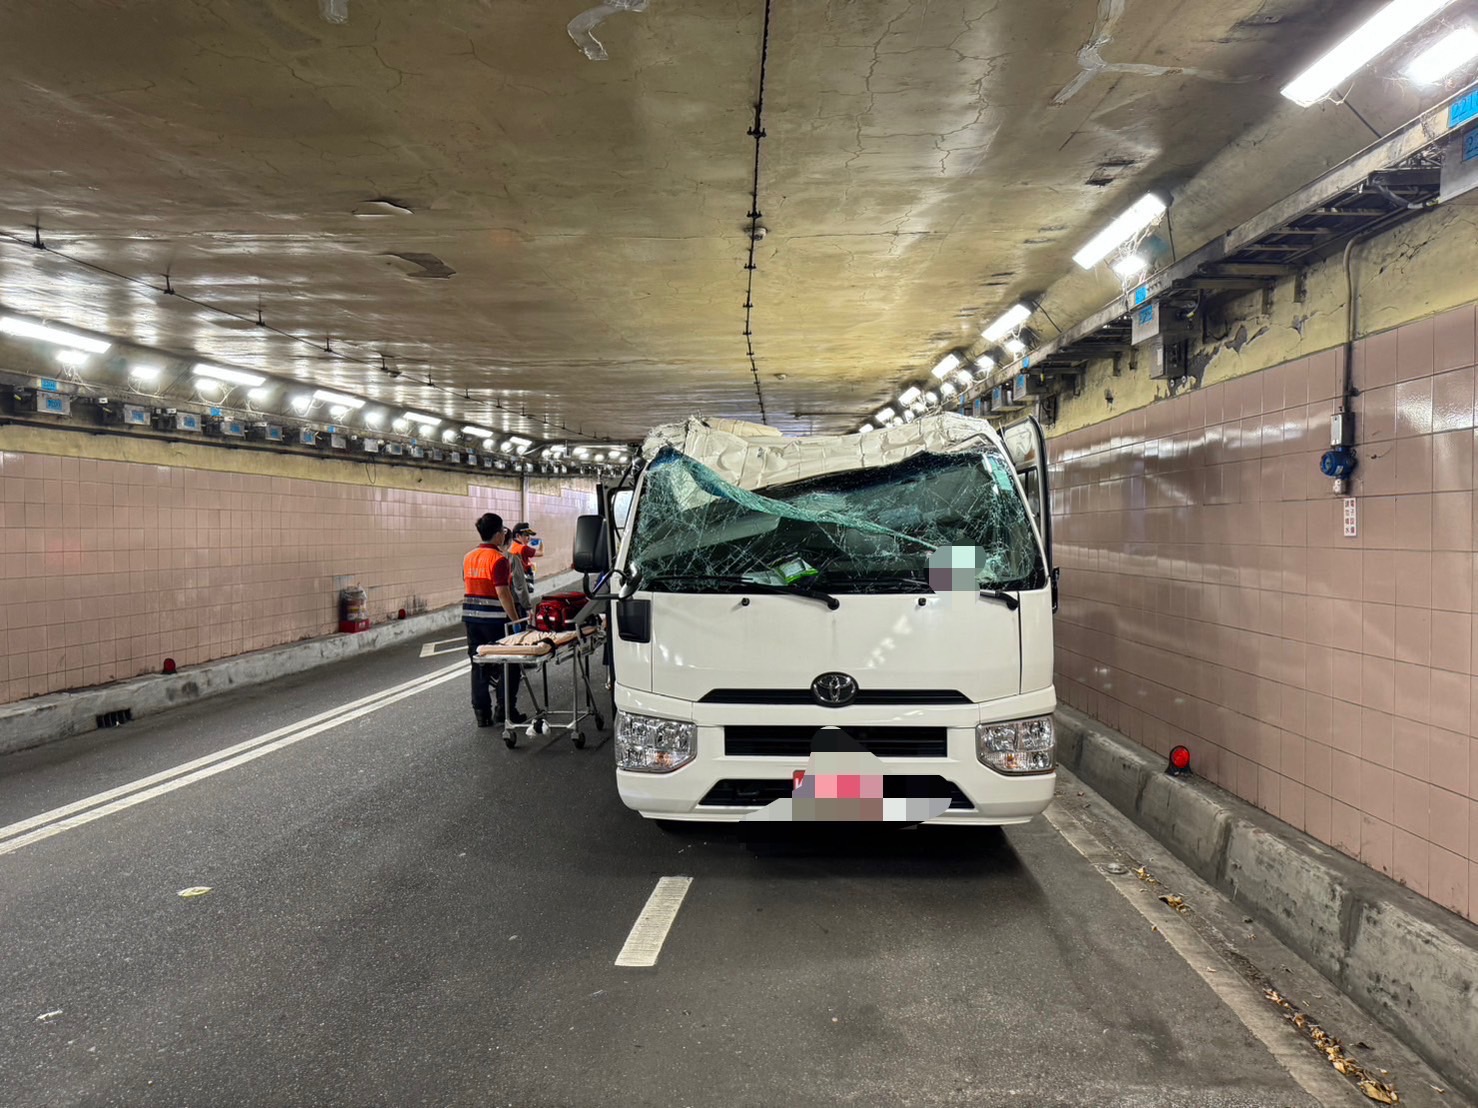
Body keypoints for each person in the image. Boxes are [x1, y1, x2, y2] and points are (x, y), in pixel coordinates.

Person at [463, 512, 526, 728]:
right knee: (510, 664)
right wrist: (516, 620)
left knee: (478, 664)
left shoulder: (468, 557)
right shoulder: (498, 560)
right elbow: (503, 593)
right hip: (495, 623)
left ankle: (482, 714)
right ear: (499, 534)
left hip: (471, 620)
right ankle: (505, 710)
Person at [509, 523, 540, 588]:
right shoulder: (523, 548)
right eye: (526, 535)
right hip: (523, 579)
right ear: (517, 535)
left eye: (529, 535)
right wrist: (541, 543)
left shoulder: (513, 546)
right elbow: (541, 553)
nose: (529, 538)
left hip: (515, 579)